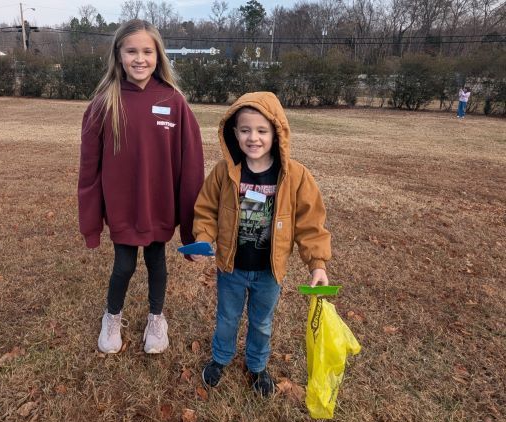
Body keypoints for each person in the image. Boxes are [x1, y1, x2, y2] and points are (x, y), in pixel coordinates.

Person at [190, 92, 331, 396]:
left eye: (262, 130)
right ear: (234, 133)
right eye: (245, 130)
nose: (253, 138)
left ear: (276, 133)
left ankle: (256, 366)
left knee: (262, 323)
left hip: (269, 272)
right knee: (226, 319)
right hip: (232, 269)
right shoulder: (224, 173)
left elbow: (310, 223)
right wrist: (202, 239)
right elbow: (206, 211)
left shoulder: (295, 176)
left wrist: (317, 263)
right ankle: (220, 358)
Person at [78, 20, 204, 355]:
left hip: (159, 209)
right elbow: (89, 173)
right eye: (131, 51)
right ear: (119, 55)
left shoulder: (174, 102)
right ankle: (112, 317)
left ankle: (156, 318)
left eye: (147, 51)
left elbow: (191, 168)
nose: (140, 58)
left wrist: (193, 231)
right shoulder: (103, 104)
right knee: (124, 266)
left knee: (156, 263)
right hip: (122, 210)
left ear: (158, 55)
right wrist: (91, 225)